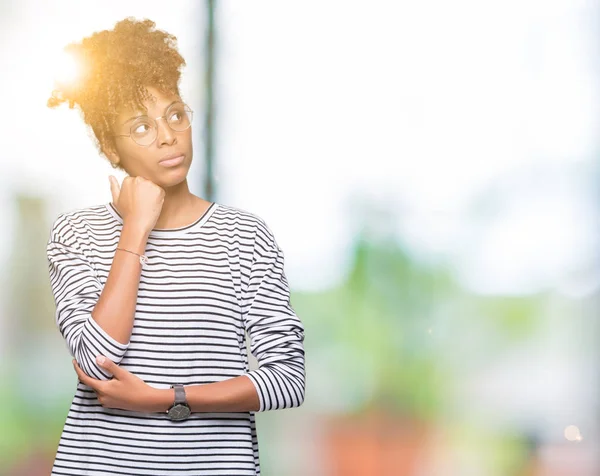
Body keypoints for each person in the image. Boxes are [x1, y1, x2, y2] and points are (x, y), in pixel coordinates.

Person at [45, 18, 305, 476]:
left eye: (175, 115)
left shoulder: (245, 237)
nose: (167, 136)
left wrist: (169, 399)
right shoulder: (76, 233)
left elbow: (287, 380)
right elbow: (95, 359)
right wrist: (135, 231)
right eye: (141, 127)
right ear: (110, 146)